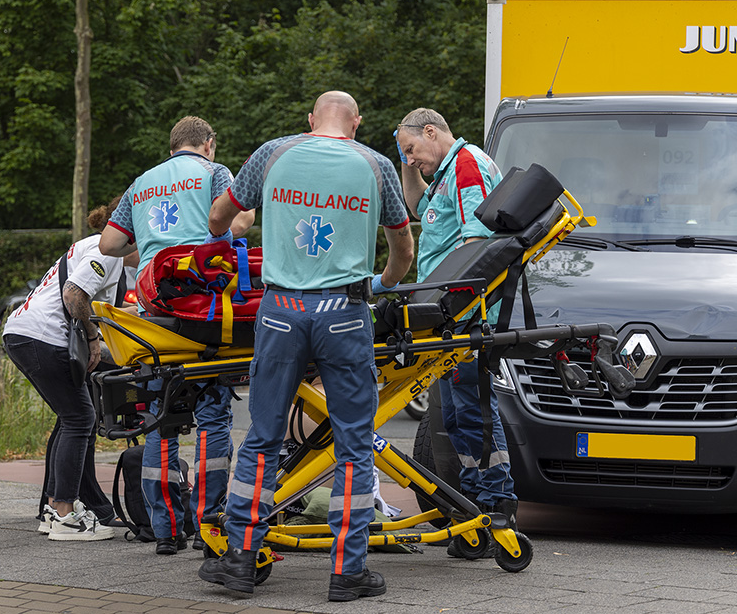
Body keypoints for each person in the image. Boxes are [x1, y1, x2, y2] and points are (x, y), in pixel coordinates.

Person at [198, 91, 414, 601]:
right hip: (344, 313)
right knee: (354, 446)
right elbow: (403, 248)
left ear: (310, 120)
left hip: (280, 312)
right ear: (356, 123)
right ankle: (347, 571)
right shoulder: (376, 164)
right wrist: (377, 284)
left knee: (262, 439)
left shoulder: (272, 153)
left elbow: (217, 219)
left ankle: (239, 562)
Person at [99, 116, 254, 556]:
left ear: (171, 147)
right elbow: (238, 224)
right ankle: (212, 524)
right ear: (209, 144)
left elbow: (109, 244)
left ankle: (166, 532)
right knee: (212, 416)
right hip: (200, 311)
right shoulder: (214, 172)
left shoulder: (141, 182)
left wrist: (150, 245)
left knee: (161, 421)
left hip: (153, 312)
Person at [394, 108, 518, 550]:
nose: (413, 160)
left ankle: (496, 505)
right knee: (461, 414)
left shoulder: (466, 166)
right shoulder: (448, 171)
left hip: (465, 316)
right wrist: (407, 163)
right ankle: (476, 510)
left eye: (413, 149)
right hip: (450, 314)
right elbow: (418, 208)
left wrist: (450, 308)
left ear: (432, 132)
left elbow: (476, 242)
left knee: (474, 412)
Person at [3, 197, 138, 542]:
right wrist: (93, 339)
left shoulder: (96, 248)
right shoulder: (107, 251)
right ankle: (64, 515)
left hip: (24, 332)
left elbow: (100, 306)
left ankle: (52, 510)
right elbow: (74, 295)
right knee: (81, 418)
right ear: (132, 235)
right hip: (42, 336)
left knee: (70, 418)